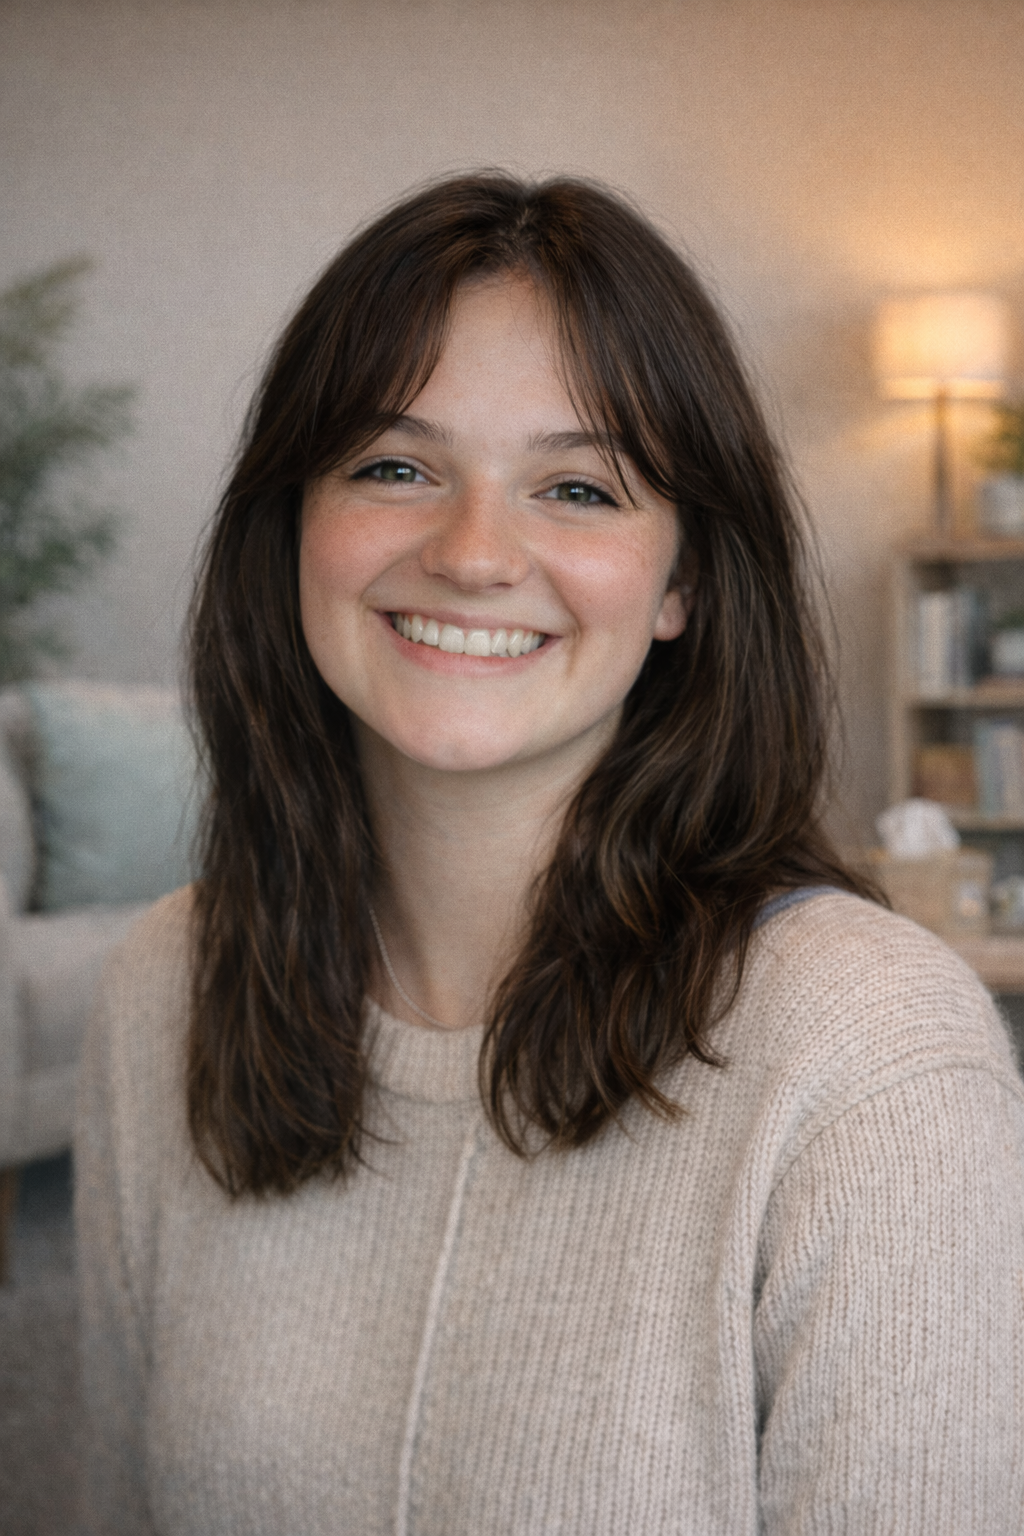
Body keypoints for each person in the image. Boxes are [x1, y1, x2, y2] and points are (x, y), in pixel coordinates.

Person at [76, 174, 1024, 1535]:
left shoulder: (874, 1060)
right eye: (395, 466)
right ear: (294, 528)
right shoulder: (161, 988)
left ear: (683, 583)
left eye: (577, 489)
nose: (472, 553)